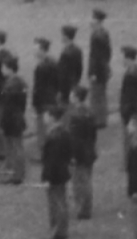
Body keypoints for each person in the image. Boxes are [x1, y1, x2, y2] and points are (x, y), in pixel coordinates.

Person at [42, 104, 74, 239]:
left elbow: (51, 160)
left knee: (56, 203)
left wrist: (47, 177)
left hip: (55, 174)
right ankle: (61, 228)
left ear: (51, 117)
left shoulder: (53, 136)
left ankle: (58, 230)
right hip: (63, 171)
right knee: (61, 201)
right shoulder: (65, 133)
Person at [68, 85, 99, 220]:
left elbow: (74, 139)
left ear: (76, 97)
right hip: (89, 150)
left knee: (79, 182)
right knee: (87, 180)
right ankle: (86, 207)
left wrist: (72, 155)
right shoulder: (90, 112)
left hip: (80, 153)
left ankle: (82, 208)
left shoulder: (75, 116)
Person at [0, 56, 28, 185]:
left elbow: (7, 106)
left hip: (11, 119)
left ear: (9, 69)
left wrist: (2, 123)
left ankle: (15, 174)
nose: (2, 70)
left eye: (3, 67)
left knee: (12, 148)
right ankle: (19, 173)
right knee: (18, 146)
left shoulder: (10, 85)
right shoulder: (20, 82)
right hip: (18, 117)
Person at [87, 9, 112, 126]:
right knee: (101, 95)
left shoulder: (96, 36)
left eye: (92, 18)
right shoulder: (104, 33)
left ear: (97, 21)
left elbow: (95, 57)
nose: (90, 21)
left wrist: (93, 73)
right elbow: (108, 53)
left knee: (96, 96)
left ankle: (97, 120)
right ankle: (102, 119)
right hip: (103, 69)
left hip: (98, 71)